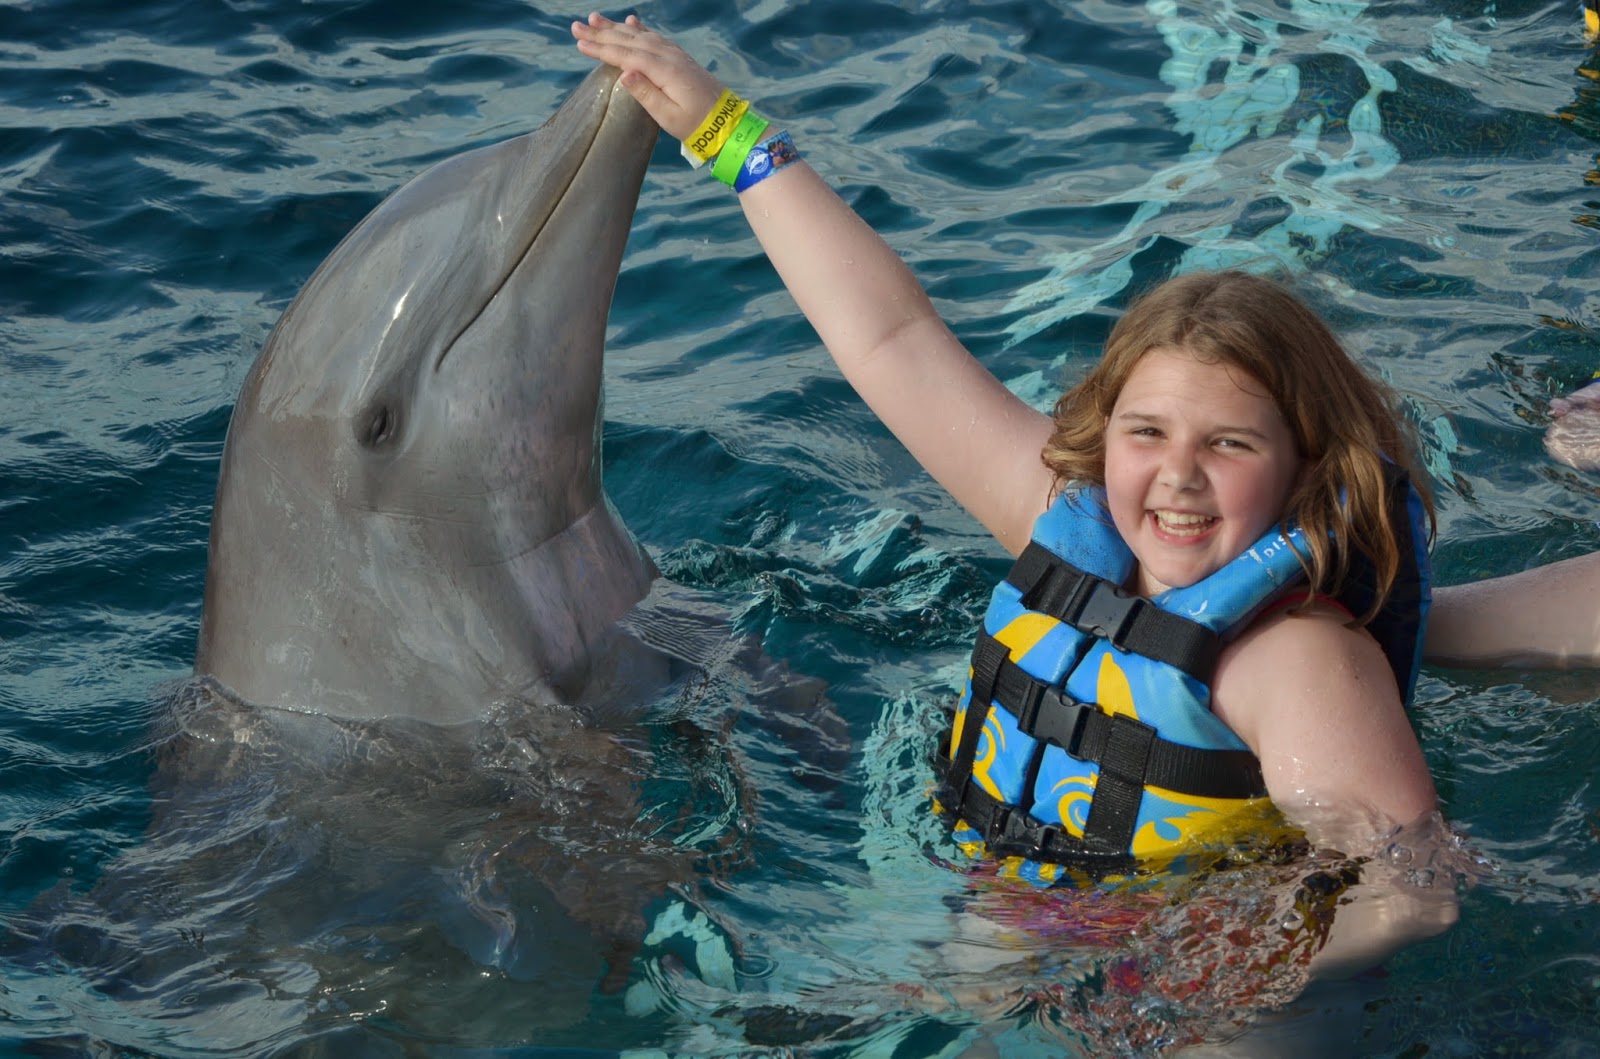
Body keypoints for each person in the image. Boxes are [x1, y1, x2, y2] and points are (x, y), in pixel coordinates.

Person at [569, 12, 1592, 982]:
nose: (1177, 475)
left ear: (1303, 464)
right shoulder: (1063, 522)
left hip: (1209, 997)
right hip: (1012, 919)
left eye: (1229, 443)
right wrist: (726, 132)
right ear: (1104, 439)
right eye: (1146, 433)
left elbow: (1412, 896)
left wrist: (1208, 985)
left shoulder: (1298, 664)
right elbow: (891, 338)